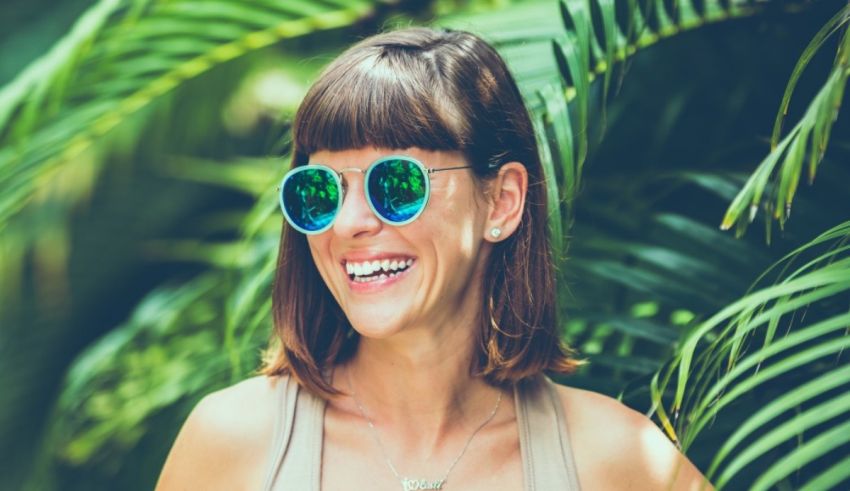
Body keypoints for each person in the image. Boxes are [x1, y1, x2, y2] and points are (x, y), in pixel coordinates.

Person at [156, 27, 714, 491]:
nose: (349, 224)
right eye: (319, 191)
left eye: (396, 183)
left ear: (501, 200)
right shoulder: (232, 443)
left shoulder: (616, 458)